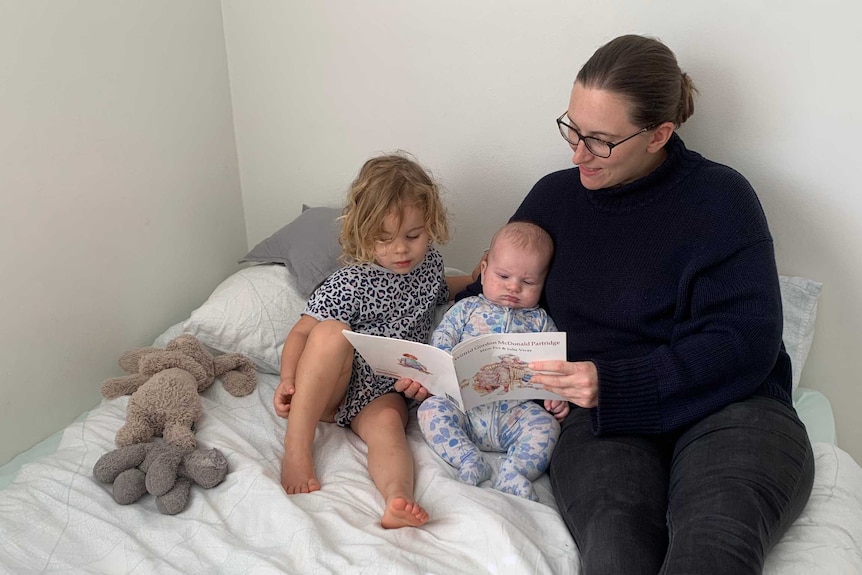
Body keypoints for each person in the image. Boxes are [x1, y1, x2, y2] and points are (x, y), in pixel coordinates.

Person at [400, 34, 815, 573]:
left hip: (734, 408)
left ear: (659, 134)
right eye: (572, 129)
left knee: (714, 544)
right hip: (601, 422)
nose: (577, 154)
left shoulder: (722, 200)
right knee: (616, 546)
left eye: (599, 140)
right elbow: (495, 300)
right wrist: (426, 363)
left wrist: (615, 382)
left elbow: (745, 342)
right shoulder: (554, 198)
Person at [273, 152, 452, 529]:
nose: (400, 249)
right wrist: (289, 378)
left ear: (430, 226)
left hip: (386, 390)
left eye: (413, 236)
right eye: (383, 239)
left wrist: (480, 277)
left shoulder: (431, 266)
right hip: (333, 387)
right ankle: (296, 447)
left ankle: (397, 498)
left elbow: (442, 289)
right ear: (361, 233)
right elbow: (301, 332)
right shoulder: (351, 281)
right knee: (331, 332)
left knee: (390, 426)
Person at [415, 222, 569, 502]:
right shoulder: (467, 308)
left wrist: (556, 397)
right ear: (484, 271)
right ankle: (468, 458)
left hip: (515, 414)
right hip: (466, 410)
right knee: (430, 410)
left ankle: (514, 472)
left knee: (547, 427)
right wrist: (442, 360)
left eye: (528, 282)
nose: (513, 287)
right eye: (503, 276)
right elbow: (444, 334)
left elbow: (554, 367)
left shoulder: (540, 321)